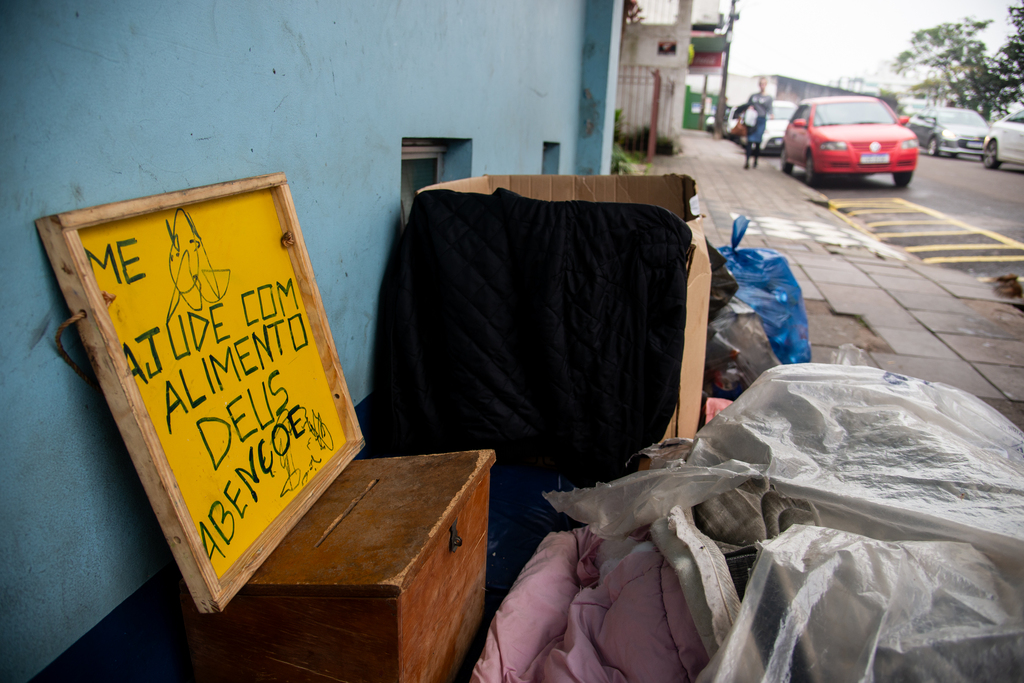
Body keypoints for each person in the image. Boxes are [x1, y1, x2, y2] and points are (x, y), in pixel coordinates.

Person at [744, 77, 773, 169]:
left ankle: (755, 161)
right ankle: (747, 161)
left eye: (764, 84)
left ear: (766, 85)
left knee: (757, 143)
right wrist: (749, 108)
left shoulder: (769, 98)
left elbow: (770, 110)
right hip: (752, 120)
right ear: (759, 84)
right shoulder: (753, 96)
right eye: (761, 83)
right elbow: (747, 105)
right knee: (749, 141)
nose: (762, 85)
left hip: (761, 120)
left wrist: (771, 115)